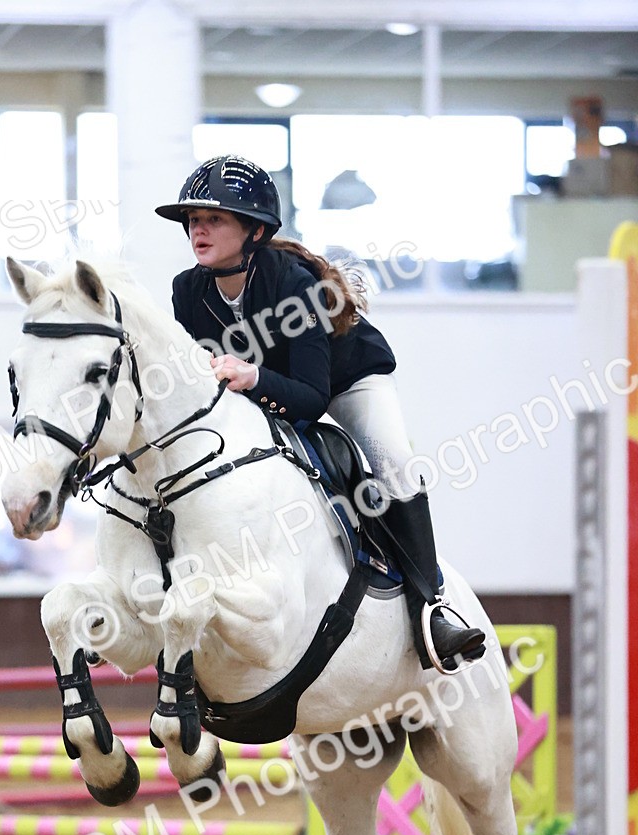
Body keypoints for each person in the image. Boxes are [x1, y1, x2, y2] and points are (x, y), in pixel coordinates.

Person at [156, 154, 484, 674]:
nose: (198, 229)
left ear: (255, 230)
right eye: (193, 220)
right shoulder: (186, 290)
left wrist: (253, 376)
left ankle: (432, 610)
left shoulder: (293, 283)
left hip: (345, 381)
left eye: (213, 218)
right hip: (261, 391)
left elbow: (311, 398)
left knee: (395, 461)